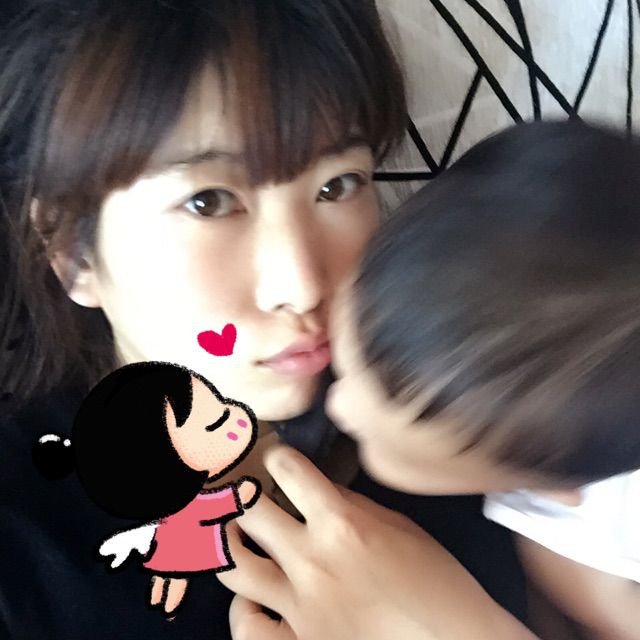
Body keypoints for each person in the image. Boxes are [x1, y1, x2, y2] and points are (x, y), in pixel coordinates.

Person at [0, 1, 528, 638]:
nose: (303, 286)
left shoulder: (482, 407)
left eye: (338, 185)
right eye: (208, 201)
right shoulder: (23, 543)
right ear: (71, 251)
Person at [219, 121, 640, 639]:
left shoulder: (574, 543)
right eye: (346, 368)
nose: (338, 407)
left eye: (380, 443)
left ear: (544, 487)